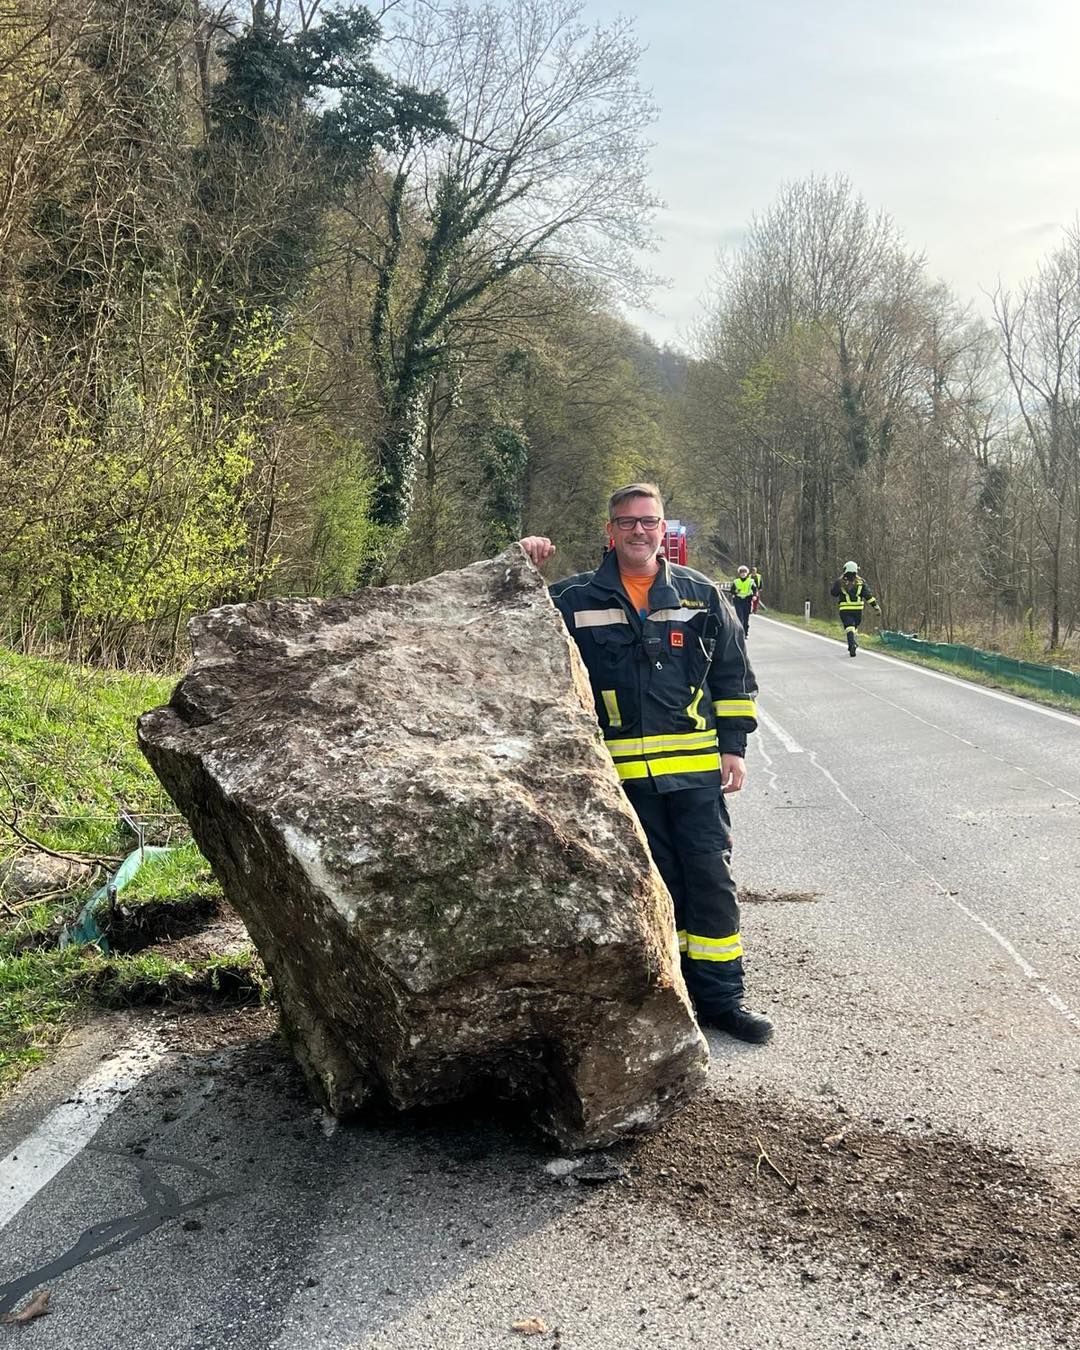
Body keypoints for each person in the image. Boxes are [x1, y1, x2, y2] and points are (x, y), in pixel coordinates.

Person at [519, 484, 773, 1044]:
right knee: (650, 888)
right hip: (618, 784)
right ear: (609, 532)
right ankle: (671, 997)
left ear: (664, 531)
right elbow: (512, 632)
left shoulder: (703, 595)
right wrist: (521, 565)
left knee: (709, 880)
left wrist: (734, 747)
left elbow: (733, 675)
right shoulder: (573, 599)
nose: (638, 530)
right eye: (627, 522)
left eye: (648, 521)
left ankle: (722, 1000)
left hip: (695, 776)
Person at [830, 561, 881, 657]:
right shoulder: (861, 582)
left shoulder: (840, 582)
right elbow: (868, 596)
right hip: (858, 611)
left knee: (849, 627)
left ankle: (852, 644)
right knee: (854, 627)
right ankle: (853, 643)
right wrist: (876, 606)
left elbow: (833, 593)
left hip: (845, 610)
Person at [729, 565, 757, 636]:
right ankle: (740, 633)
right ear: (739, 573)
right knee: (740, 617)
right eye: (741, 572)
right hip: (738, 601)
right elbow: (731, 591)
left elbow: (754, 589)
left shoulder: (751, 581)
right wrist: (736, 592)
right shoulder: (736, 581)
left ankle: (745, 632)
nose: (743, 574)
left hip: (747, 600)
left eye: (744, 572)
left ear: (747, 573)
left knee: (746, 617)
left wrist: (754, 596)